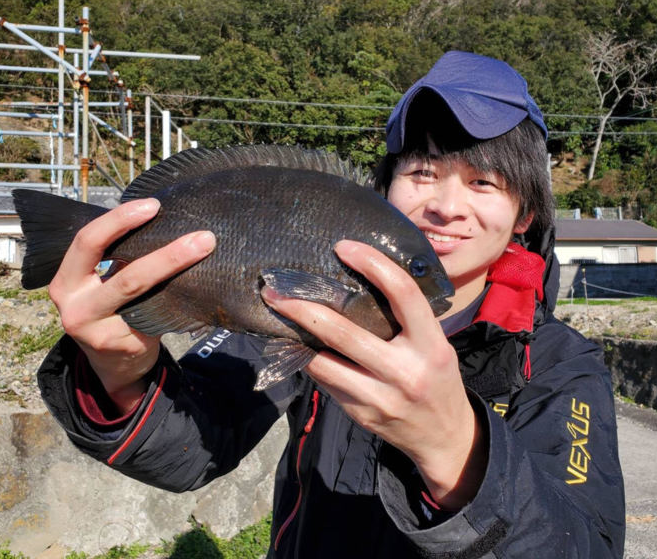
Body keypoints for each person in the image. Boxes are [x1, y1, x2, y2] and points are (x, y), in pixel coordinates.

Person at [38, 51, 625, 558]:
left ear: (524, 215)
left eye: (483, 182)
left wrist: (455, 451)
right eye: (422, 171)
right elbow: (192, 451)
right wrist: (119, 371)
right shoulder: (296, 313)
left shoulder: (558, 366)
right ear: (386, 190)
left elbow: (586, 544)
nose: (447, 205)